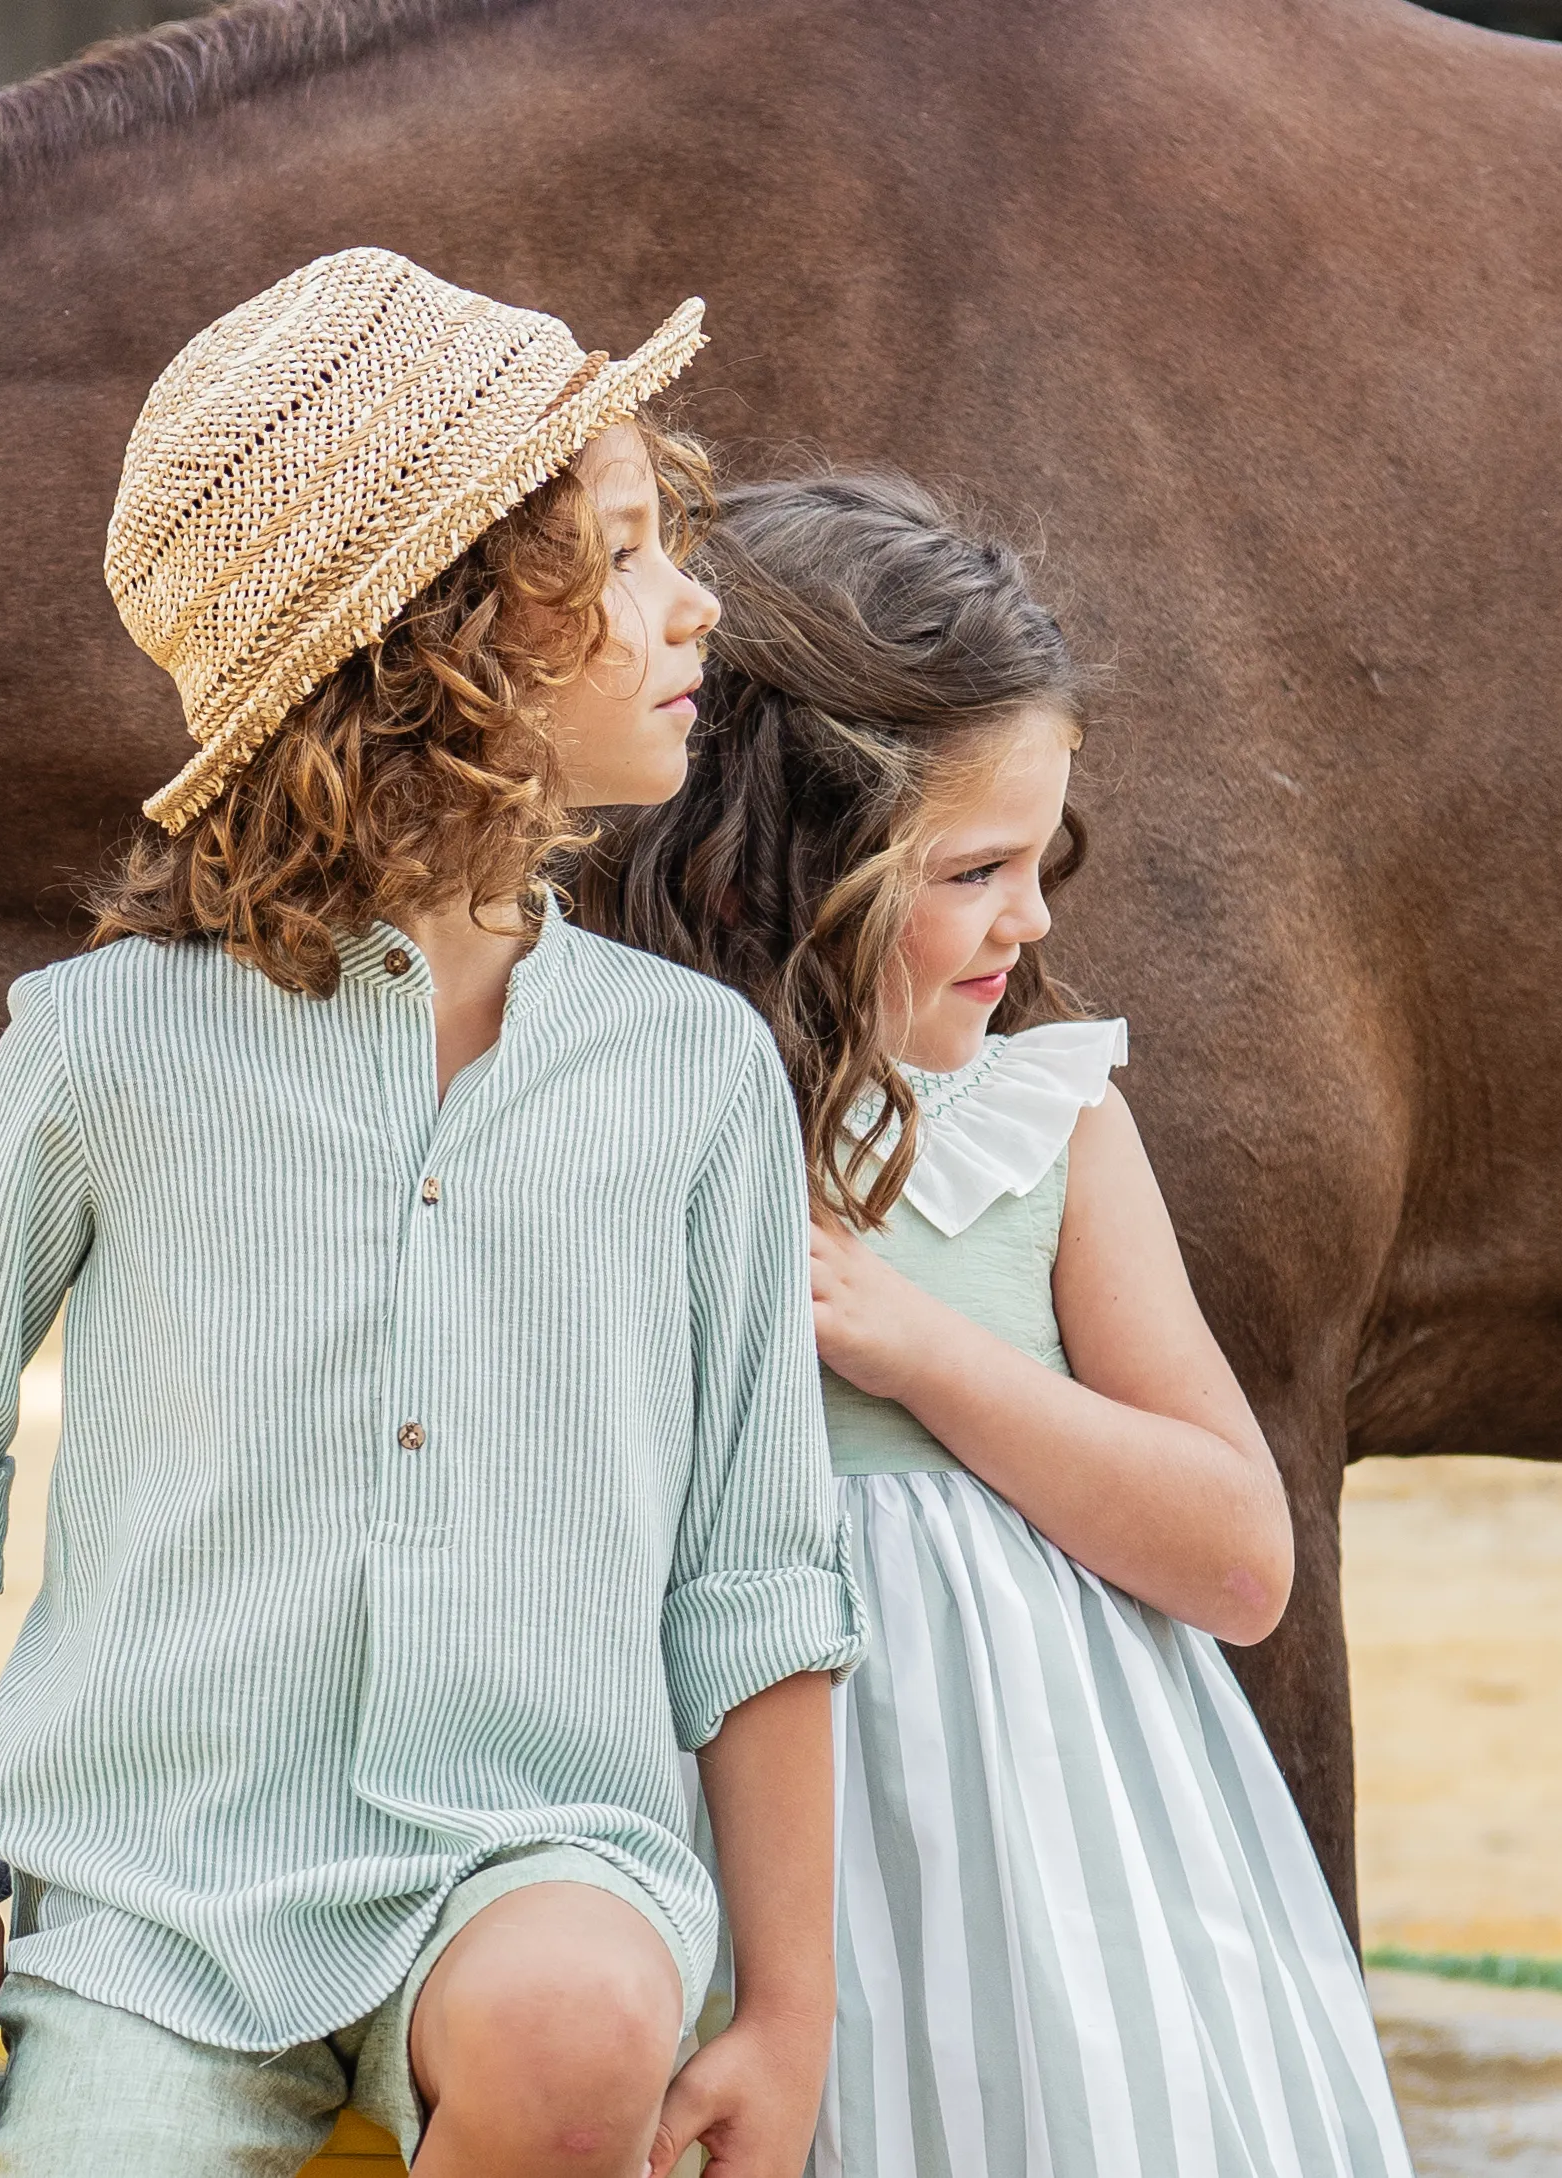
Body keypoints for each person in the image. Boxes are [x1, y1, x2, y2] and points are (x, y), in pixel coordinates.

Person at [0, 249, 863, 2178]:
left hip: (539, 1861)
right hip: (154, 1913)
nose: (686, 601)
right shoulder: (98, 1046)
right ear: (435, 648)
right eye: (612, 557)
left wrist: (788, 2013)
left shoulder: (694, 1077)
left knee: (581, 2018)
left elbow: (752, 1568)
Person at [583, 473, 1414, 2178]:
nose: (1030, 920)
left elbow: (1238, 1556)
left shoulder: (1040, 1128)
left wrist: (921, 1351)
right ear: (767, 870)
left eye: (1037, 861)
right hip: (721, 1867)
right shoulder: (600, 1112)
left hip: (1053, 1897)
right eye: (973, 870)